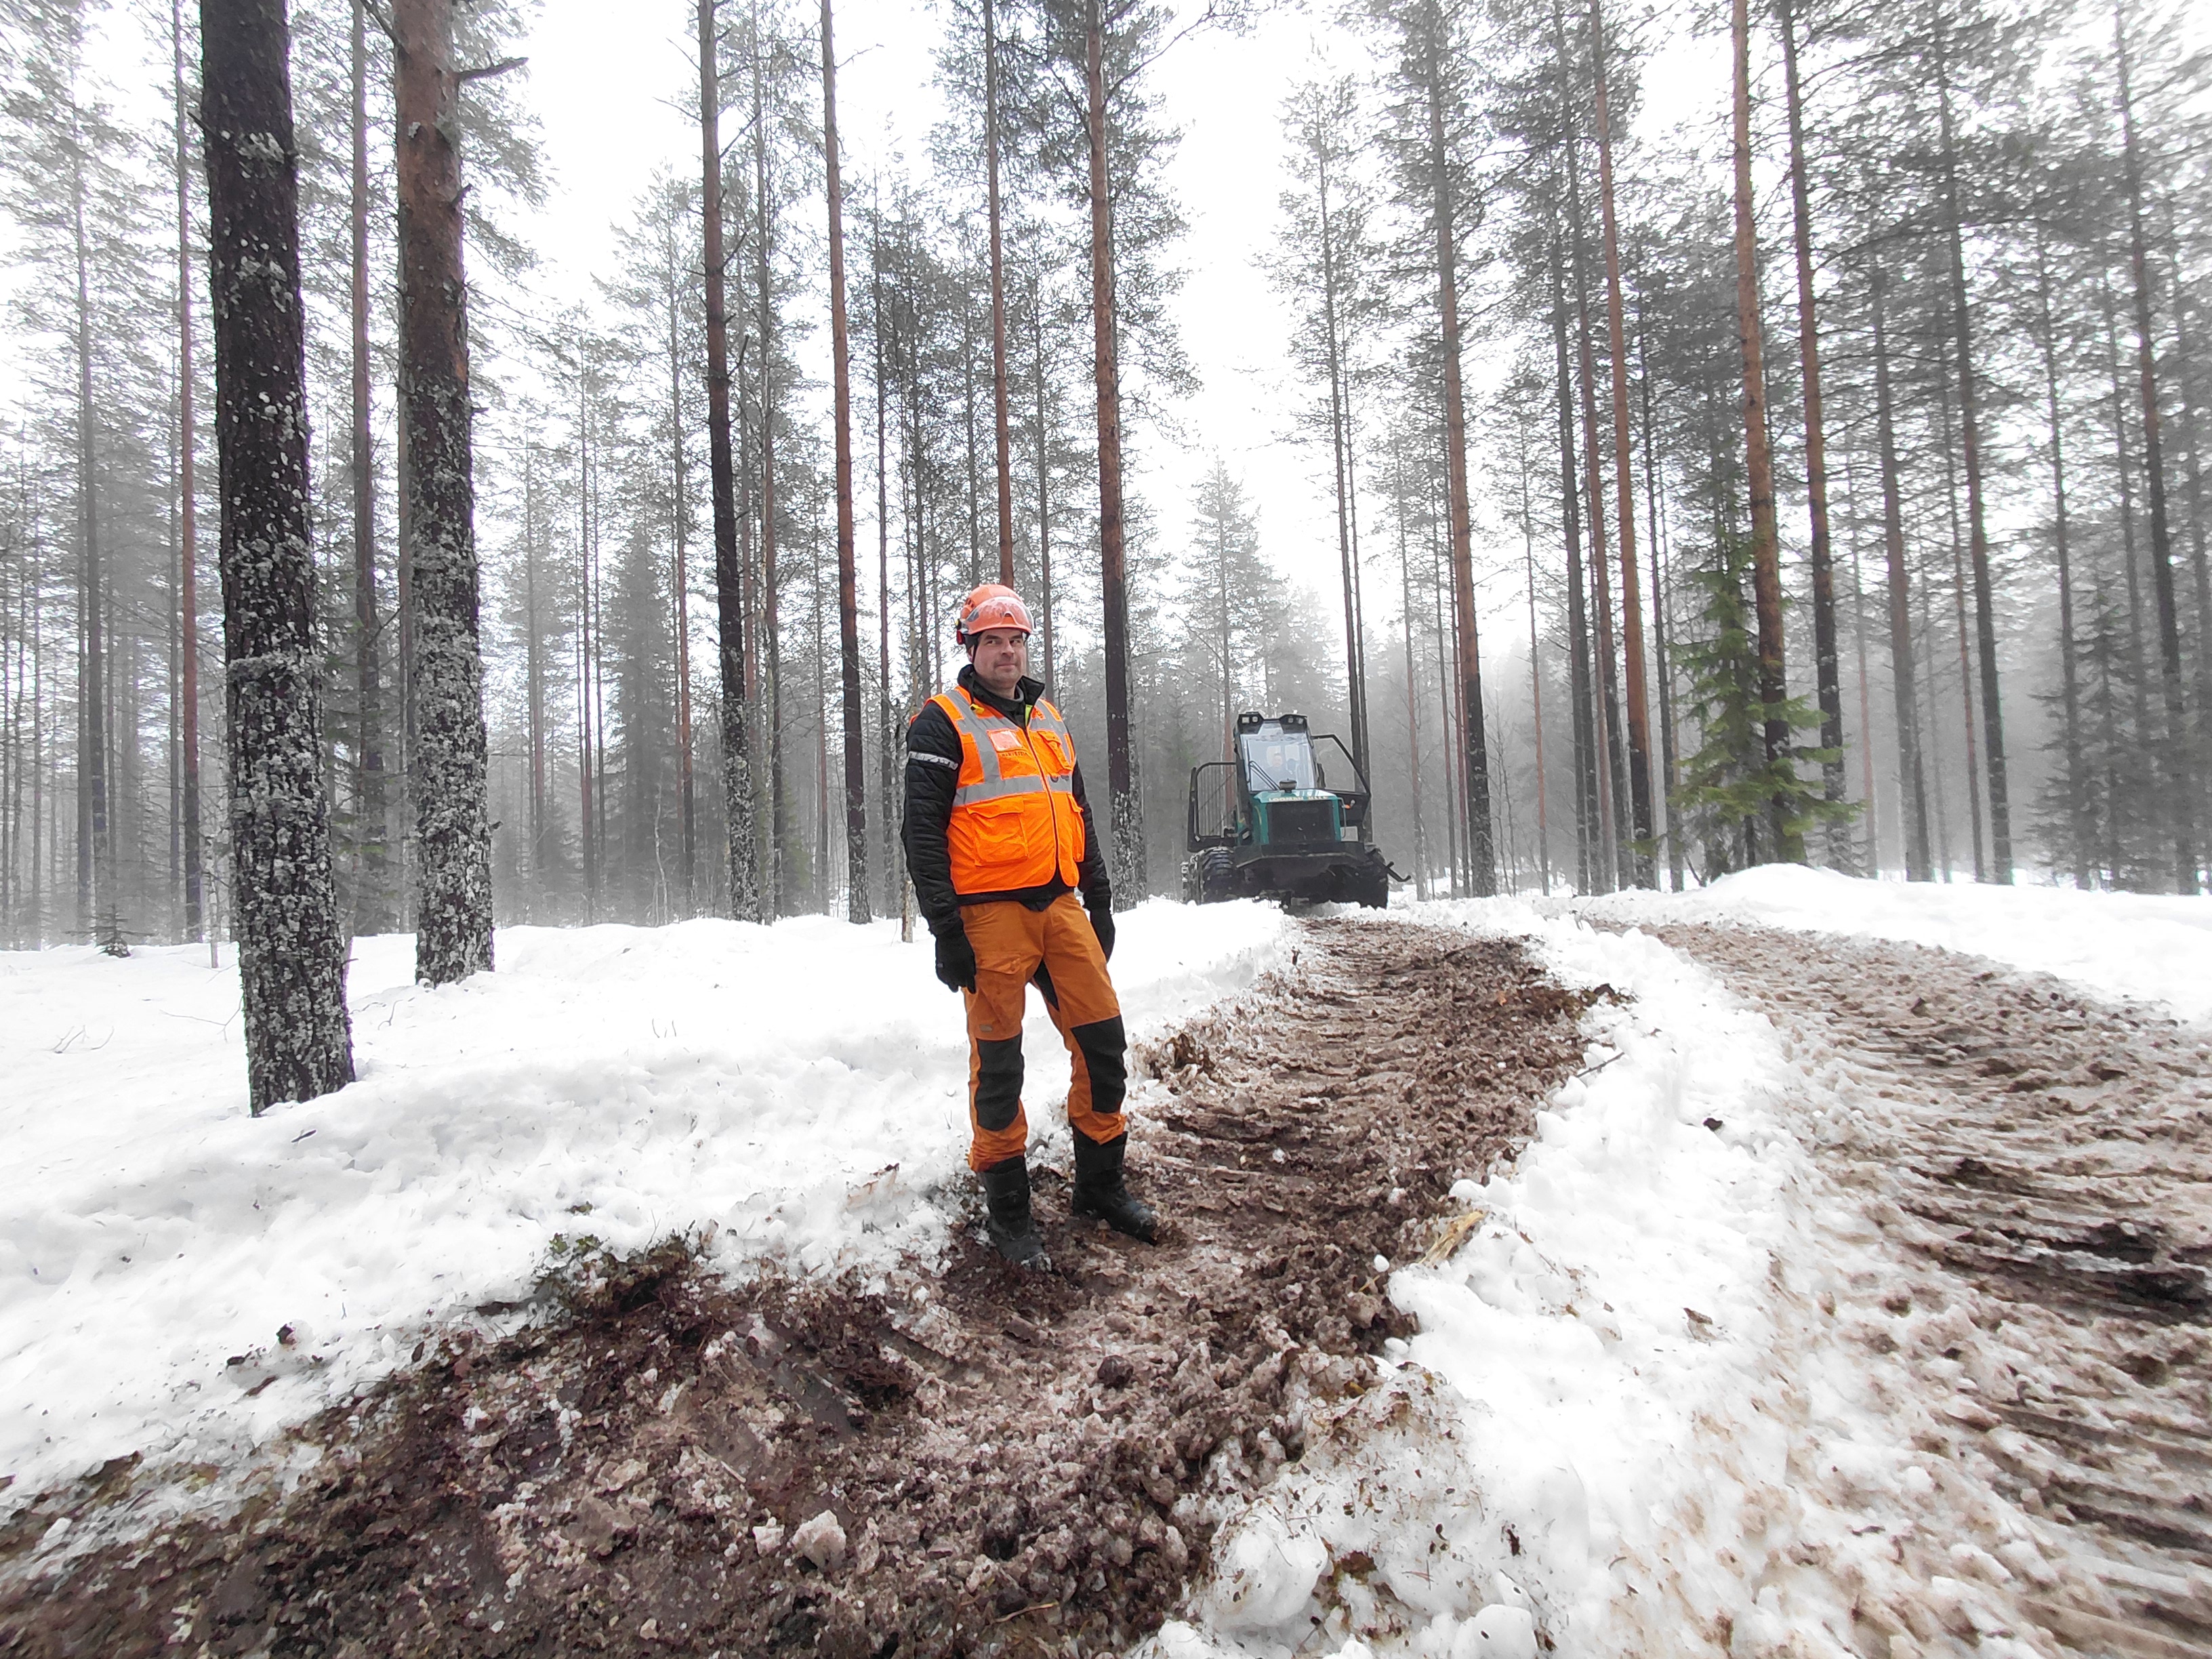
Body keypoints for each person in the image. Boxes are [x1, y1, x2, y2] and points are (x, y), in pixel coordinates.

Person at [902, 583, 1158, 1267]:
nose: (1007, 651)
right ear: (971, 647)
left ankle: (1100, 1188)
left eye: (1016, 639)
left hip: (1062, 908)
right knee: (999, 1067)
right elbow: (921, 835)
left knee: (1104, 1045)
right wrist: (944, 929)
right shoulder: (941, 722)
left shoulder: (1047, 717)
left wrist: (1097, 899)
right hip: (989, 920)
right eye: (993, 641)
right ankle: (1009, 1215)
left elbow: (1078, 812)